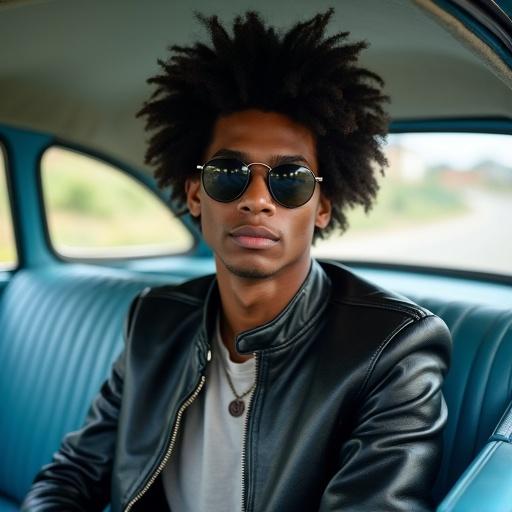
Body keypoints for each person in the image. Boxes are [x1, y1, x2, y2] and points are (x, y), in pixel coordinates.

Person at [22, 9, 451, 512]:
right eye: (229, 173)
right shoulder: (154, 320)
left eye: (289, 178)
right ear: (196, 194)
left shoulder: (391, 349)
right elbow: (71, 476)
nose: (257, 199)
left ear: (323, 206)